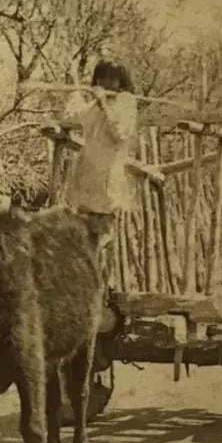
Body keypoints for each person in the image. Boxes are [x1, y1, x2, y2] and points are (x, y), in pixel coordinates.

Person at [60, 59, 138, 282]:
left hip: (107, 182)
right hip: (86, 180)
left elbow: (120, 133)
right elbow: (72, 115)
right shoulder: (93, 106)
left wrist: (104, 102)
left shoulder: (126, 102)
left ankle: (107, 290)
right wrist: (74, 84)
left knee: (105, 242)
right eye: (102, 77)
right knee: (83, 242)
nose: (106, 82)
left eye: (112, 78)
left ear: (121, 81)